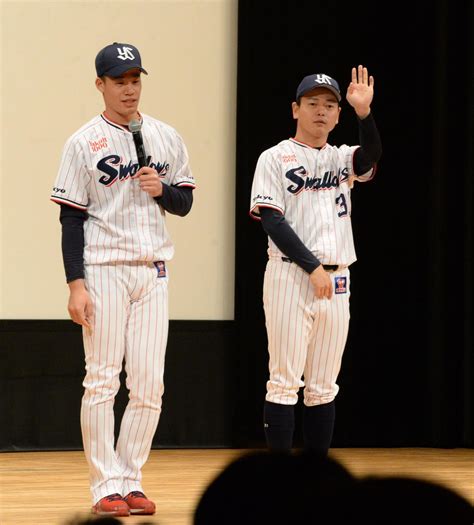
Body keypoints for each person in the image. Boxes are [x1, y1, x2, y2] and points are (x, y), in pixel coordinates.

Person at [51, 42, 195, 517]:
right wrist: (76, 284)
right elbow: (71, 220)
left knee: (150, 384)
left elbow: (184, 203)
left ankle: (131, 477)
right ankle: (104, 484)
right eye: (119, 80)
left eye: (135, 79)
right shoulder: (82, 142)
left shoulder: (165, 136)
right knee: (102, 381)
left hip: (153, 270)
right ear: (101, 85)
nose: (129, 88)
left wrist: (164, 190)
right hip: (104, 269)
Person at [249, 66, 382, 453]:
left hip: (338, 278)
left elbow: (371, 154)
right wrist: (312, 267)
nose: (321, 111)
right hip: (291, 275)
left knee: (324, 385)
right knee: (285, 381)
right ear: (296, 109)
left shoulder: (342, 158)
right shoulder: (275, 157)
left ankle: (315, 479)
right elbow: (271, 220)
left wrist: (364, 113)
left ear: (338, 114)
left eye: (329, 105)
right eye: (312, 103)